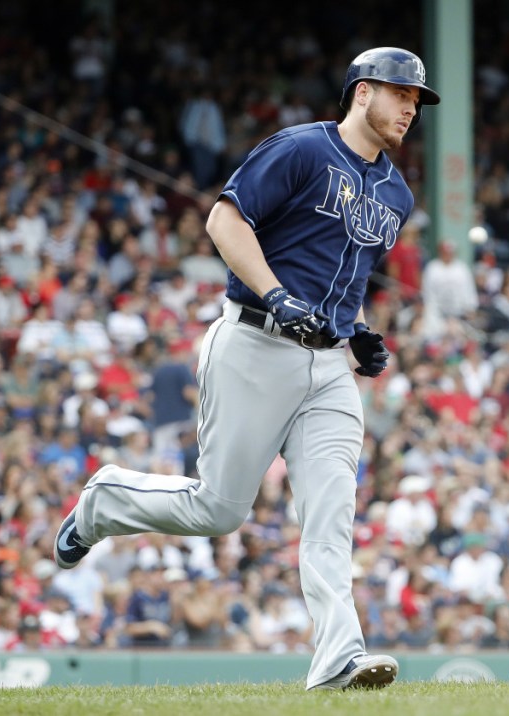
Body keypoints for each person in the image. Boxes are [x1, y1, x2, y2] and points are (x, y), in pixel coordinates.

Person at [53, 47, 440, 691]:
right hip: (255, 345)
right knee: (218, 511)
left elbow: (339, 272)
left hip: (328, 368)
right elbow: (224, 220)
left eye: (417, 100)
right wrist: (278, 295)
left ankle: (338, 658)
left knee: (331, 512)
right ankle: (104, 502)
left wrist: (361, 331)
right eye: (400, 93)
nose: (410, 108)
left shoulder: (395, 192)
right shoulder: (301, 149)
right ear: (362, 93)